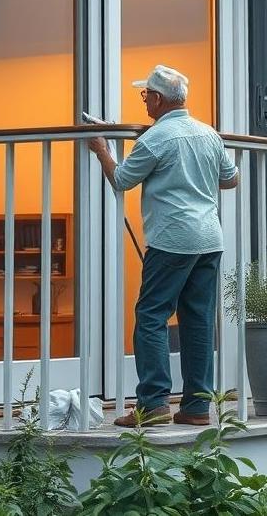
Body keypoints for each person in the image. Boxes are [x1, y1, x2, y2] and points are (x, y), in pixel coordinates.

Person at [89, 64, 239, 427]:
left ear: (157, 98)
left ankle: (154, 403)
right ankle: (198, 406)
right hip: (209, 237)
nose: (144, 101)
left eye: (145, 95)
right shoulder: (208, 134)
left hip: (173, 238)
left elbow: (122, 180)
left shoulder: (156, 138)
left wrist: (102, 149)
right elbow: (231, 180)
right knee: (198, 320)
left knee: (152, 315)